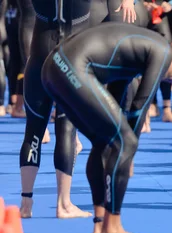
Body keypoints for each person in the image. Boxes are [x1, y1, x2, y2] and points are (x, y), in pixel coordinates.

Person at [41, 23, 172, 233]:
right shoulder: (163, 52)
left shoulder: (138, 54)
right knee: (124, 141)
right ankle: (113, 228)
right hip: (73, 66)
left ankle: (100, 225)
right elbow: (140, 106)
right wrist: (128, 151)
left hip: (53, 68)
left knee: (104, 140)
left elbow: (116, 103)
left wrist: (123, 147)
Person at [18, 0, 93, 220]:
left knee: (33, 130)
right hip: (71, 57)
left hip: (39, 54)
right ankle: (64, 204)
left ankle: (25, 204)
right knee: (66, 130)